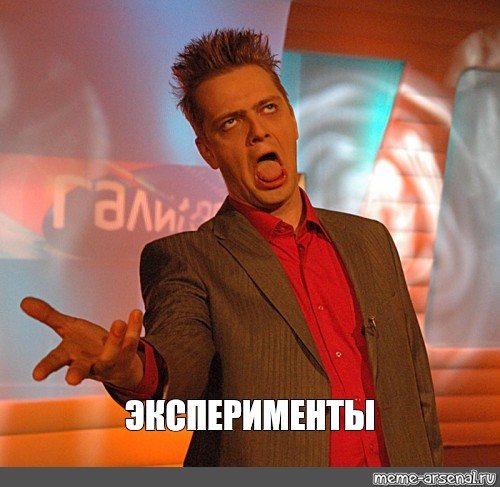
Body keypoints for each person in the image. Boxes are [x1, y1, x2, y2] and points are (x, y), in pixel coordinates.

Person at [20, 28, 443, 467]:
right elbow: (179, 361)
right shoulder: (188, 259)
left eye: (268, 108)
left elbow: (417, 392)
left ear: (293, 120)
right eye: (231, 122)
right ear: (208, 152)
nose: (258, 132)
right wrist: (132, 371)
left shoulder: (371, 239)